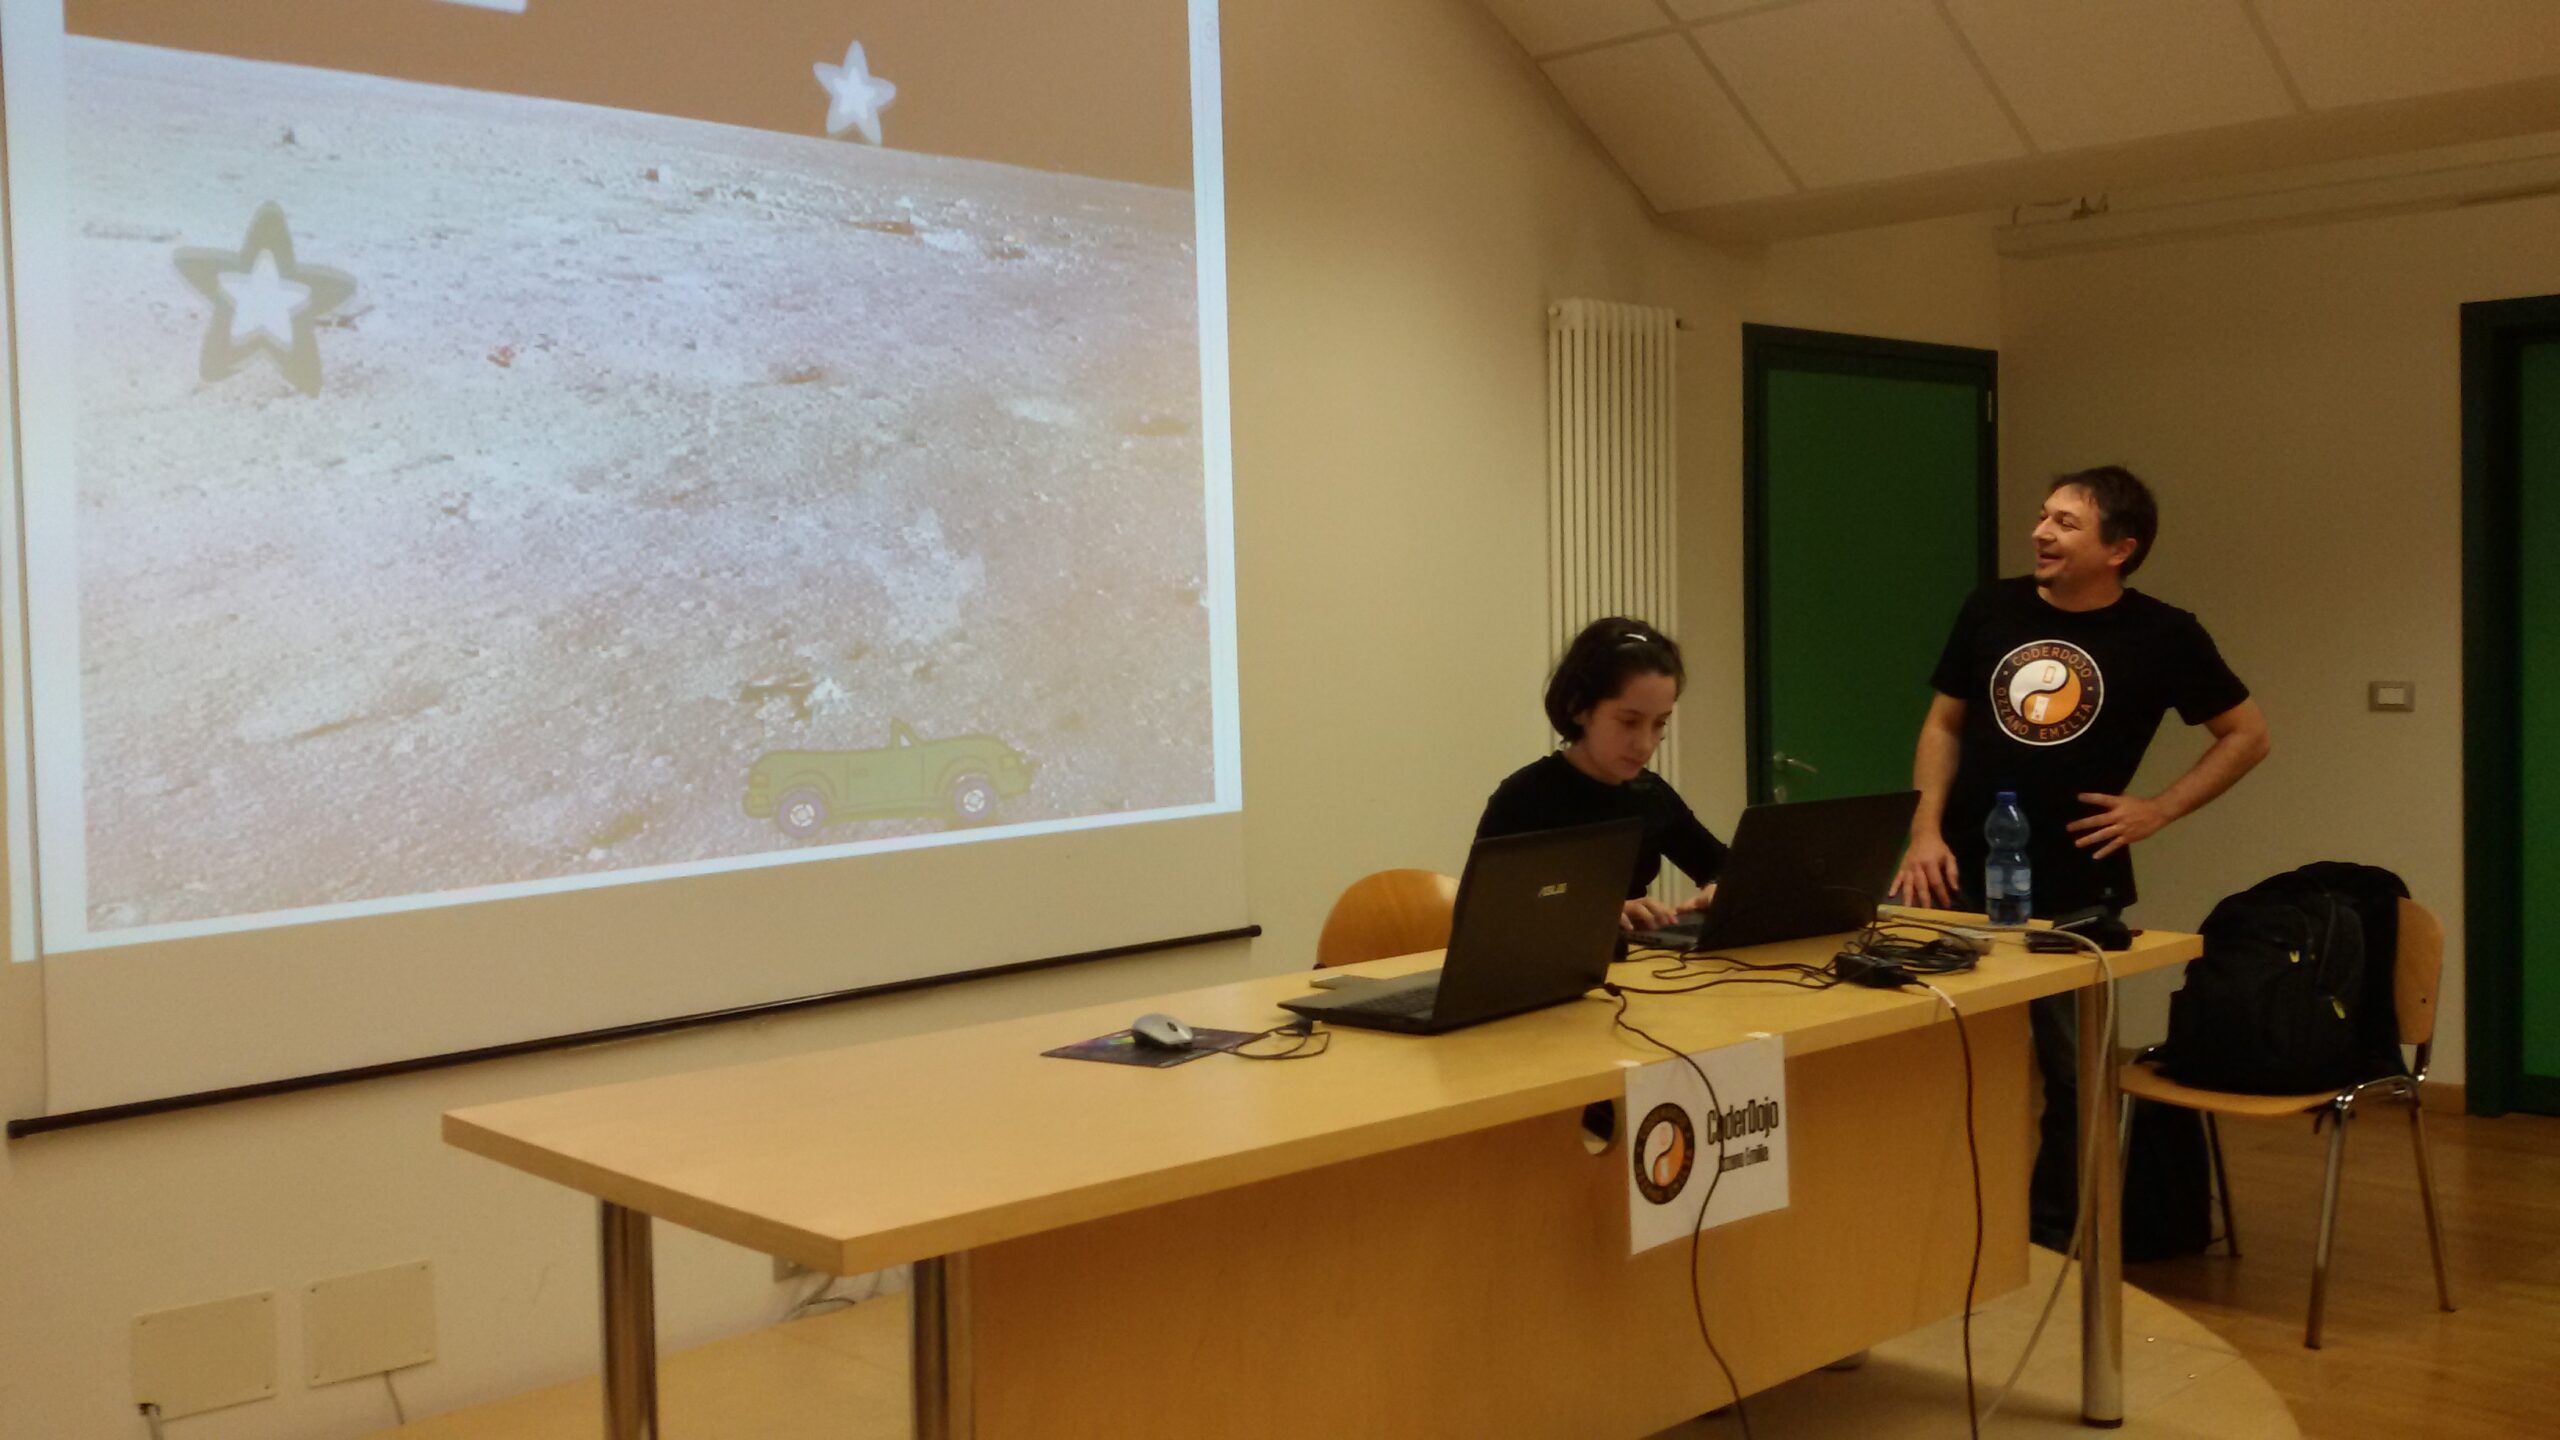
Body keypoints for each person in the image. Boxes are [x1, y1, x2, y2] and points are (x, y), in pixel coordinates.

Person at [1892, 465, 2271, 1249]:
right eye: (2043, 516)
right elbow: (1943, 725)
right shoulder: (1991, 608)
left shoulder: (2165, 635)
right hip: (1953, 873)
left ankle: (2051, 1240)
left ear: (2119, 549)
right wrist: (1924, 830)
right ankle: (1939, 1231)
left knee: (2073, 1073)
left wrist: (2159, 808)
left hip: (2075, 884)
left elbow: (2247, 735)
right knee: (1924, 1055)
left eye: (2065, 523)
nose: (2041, 532)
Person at [1477, 617, 1725, 930]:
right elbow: (1488, 913)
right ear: (1579, 707)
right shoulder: (1525, 797)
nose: (1645, 744)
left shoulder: (1650, 793)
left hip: (1635, 955)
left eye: (1659, 723)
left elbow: (1722, 864)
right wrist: (1594, 911)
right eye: (1629, 722)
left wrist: (1721, 887)